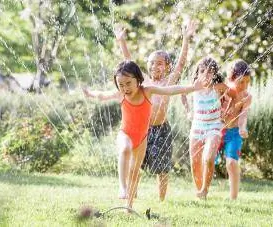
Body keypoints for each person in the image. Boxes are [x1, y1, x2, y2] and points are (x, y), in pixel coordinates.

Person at [82, 60, 203, 209]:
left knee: (134, 172)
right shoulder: (121, 95)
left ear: (138, 80)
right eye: (121, 84)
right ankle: (122, 186)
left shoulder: (147, 91)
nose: (125, 88)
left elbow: (171, 90)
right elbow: (102, 95)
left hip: (142, 139)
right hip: (125, 134)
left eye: (128, 83)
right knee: (125, 148)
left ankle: (129, 206)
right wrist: (90, 93)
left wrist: (193, 87)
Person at [114, 20, 197, 201]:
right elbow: (129, 63)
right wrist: (122, 42)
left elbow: (181, 63)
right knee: (134, 166)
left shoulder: (169, 82)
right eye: (151, 63)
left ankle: (161, 200)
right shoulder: (143, 82)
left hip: (162, 128)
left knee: (163, 168)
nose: (154, 67)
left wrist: (186, 39)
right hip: (141, 130)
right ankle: (131, 196)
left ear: (167, 66)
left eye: (159, 63)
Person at [181, 56, 235, 199]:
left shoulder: (218, 88)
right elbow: (182, 94)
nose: (206, 74)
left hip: (214, 126)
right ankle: (200, 192)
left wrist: (227, 110)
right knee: (195, 162)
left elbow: (234, 95)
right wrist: (188, 111)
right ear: (197, 73)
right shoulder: (194, 88)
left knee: (208, 158)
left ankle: (205, 189)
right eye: (202, 71)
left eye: (210, 71)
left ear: (215, 74)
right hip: (197, 127)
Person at [220, 59, 252, 200]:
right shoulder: (223, 91)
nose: (244, 85)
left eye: (247, 81)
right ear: (230, 79)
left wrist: (242, 128)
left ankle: (233, 197)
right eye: (241, 82)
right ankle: (202, 191)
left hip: (234, 133)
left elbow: (243, 115)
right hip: (217, 131)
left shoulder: (246, 97)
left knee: (231, 163)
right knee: (206, 159)